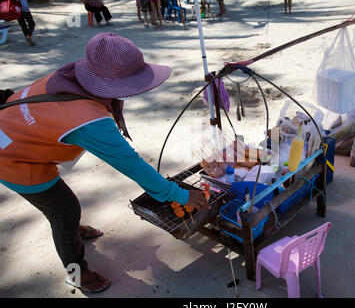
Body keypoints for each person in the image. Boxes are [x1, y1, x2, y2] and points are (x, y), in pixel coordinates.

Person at [0, 32, 210, 293]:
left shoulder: (70, 78)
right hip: (12, 158)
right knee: (64, 211)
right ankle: (76, 272)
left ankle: (72, 230)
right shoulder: (87, 120)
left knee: (61, 206)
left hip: (14, 126)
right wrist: (178, 194)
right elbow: (130, 164)